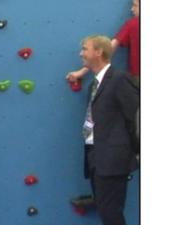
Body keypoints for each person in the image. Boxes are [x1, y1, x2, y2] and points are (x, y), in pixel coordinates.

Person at [78, 35, 139, 225]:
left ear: (99, 52)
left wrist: (136, 153)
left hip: (114, 160)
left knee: (111, 213)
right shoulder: (94, 85)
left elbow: (137, 117)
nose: (81, 54)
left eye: (85, 49)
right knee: (105, 211)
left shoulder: (120, 79)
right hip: (96, 158)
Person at [66, 0, 140, 82]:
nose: (131, 9)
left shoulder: (133, 24)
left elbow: (108, 49)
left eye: (135, 5)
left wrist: (81, 72)